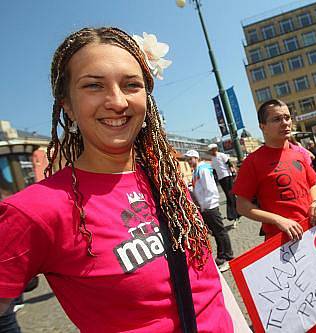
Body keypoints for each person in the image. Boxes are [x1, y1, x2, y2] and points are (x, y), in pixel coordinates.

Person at [0, 27, 237, 333]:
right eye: (94, 86)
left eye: (131, 85)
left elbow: (207, 288)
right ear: (68, 105)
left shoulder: (167, 181)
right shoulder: (34, 210)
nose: (117, 101)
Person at [233, 99, 316, 331]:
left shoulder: (299, 153)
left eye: (287, 117)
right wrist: (278, 220)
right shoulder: (253, 162)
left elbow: (313, 184)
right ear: (262, 126)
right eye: (277, 119)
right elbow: (241, 205)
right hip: (282, 247)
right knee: (300, 308)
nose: (285, 123)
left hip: (313, 237)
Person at [184, 149, 234, 272]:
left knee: (220, 231)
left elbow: (210, 189)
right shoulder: (197, 171)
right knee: (217, 232)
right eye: (188, 159)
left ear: (196, 158)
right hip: (205, 206)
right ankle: (222, 255)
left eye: (191, 159)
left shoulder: (203, 169)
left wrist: (208, 205)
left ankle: (228, 257)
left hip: (209, 206)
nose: (189, 161)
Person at [207, 143, 240, 223]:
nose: (211, 152)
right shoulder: (213, 160)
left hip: (227, 176)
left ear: (215, 149)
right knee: (228, 194)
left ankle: (232, 214)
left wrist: (233, 171)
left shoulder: (221, 155)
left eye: (212, 150)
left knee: (230, 194)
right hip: (221, 178)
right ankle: (237, 211)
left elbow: (229, 163)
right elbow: (214, 171)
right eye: (210, 151)